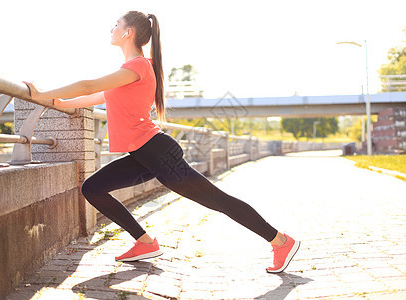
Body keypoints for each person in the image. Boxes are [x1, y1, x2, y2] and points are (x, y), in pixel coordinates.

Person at [24, 11, 299, 273]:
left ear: (128, 32)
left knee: (217, 200)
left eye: (115, 24)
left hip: (158, 153)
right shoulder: (127, 73)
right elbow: (85, 99)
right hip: (145, 155)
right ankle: (144, 242)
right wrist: (53, 101)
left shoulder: (138, 66)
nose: (111, 28)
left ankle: (281, 242)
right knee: (93, 188)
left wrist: (42, 93)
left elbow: (88, 86)